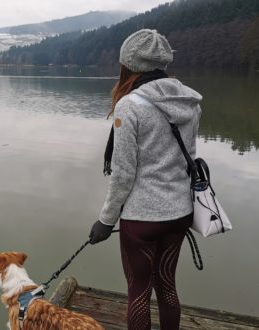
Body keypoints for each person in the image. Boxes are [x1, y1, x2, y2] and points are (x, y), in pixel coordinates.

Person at [88, 29, 202, 330]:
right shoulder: (190, 101)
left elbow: (123, 174)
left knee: (138, 292)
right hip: (179, 212)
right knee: (167, 285)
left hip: (142, 219)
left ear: (129, 64)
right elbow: (188, 157)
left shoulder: (130, 105)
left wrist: (105, 221)